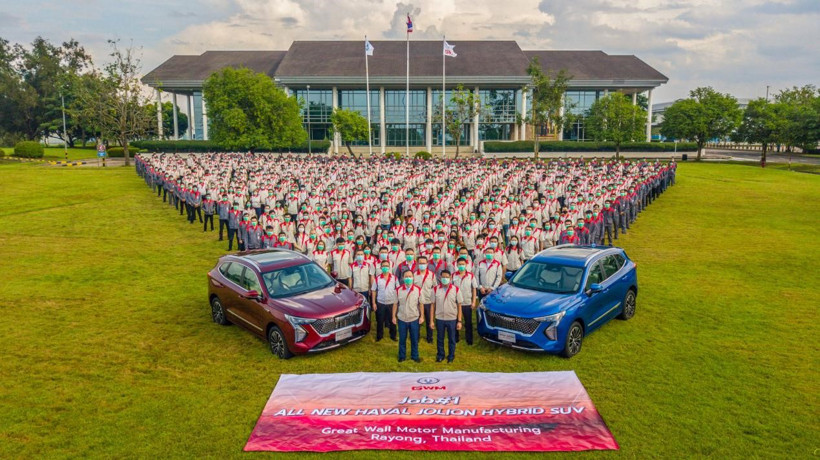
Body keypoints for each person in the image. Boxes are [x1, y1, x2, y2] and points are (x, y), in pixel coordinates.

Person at [431, 270, 463, 363]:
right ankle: (440, 355)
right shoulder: (435, 289)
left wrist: (459, 320)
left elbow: (459, 305)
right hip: (440, 318)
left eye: (447, 277)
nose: (445, 279)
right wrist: (431, 320)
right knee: (440, 338)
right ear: (440, 278)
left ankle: (451, 356)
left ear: (450, 278)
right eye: (443, 277)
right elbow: (432, 305)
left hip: (452, 318)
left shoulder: (456, 289)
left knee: (451, 339)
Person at [393, 270, 423, 363]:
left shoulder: (418, 289)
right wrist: (393, 317)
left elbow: (421, 304)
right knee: (402, 339)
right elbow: (395, 304)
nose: (408, 278)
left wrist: (422, 316)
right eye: (406, 276)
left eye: (410, 276)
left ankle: (415, 356)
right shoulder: (398, 290)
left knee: (414, 339)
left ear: (413, 278)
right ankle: (402, 356)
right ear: (403, 278)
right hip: (402, 318)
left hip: (414, 318)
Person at [452, 257, 478, 345]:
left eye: (463, 264)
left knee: (468, 322)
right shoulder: (453, 276)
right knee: (455, 321)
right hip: (456, 303)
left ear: (466, 265)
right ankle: (455, 338)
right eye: (459, 264)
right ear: (457, 265)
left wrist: (474, 301)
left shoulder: (471, 276)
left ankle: (469, 340)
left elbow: (474, 289)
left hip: (467, 302)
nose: (461, 266)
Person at [371, 260, 398, 342]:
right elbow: (373, 290)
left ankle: (393, 336)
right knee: (380, 321)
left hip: (391, 303)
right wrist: (374, 303)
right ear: (381, 267)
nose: (385, 267)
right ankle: (379, 336)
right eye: (383, 266)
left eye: (387, 266)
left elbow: (398, 289)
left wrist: (396, 302)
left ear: (389, 267)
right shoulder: (377, 278)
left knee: (392, 320)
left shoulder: (394, 278)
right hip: (380, 303)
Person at [413, 256, 436, 344]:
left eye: (424, 263)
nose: (422, 264)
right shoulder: (414, 275)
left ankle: (429, 338)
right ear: (417, 264)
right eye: (420, 263)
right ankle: (416, 337)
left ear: (427, 264)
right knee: (417, 320)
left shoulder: (431, 274)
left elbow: (434, 287)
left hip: (429, 301)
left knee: (429, 320)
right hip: (417, 302)